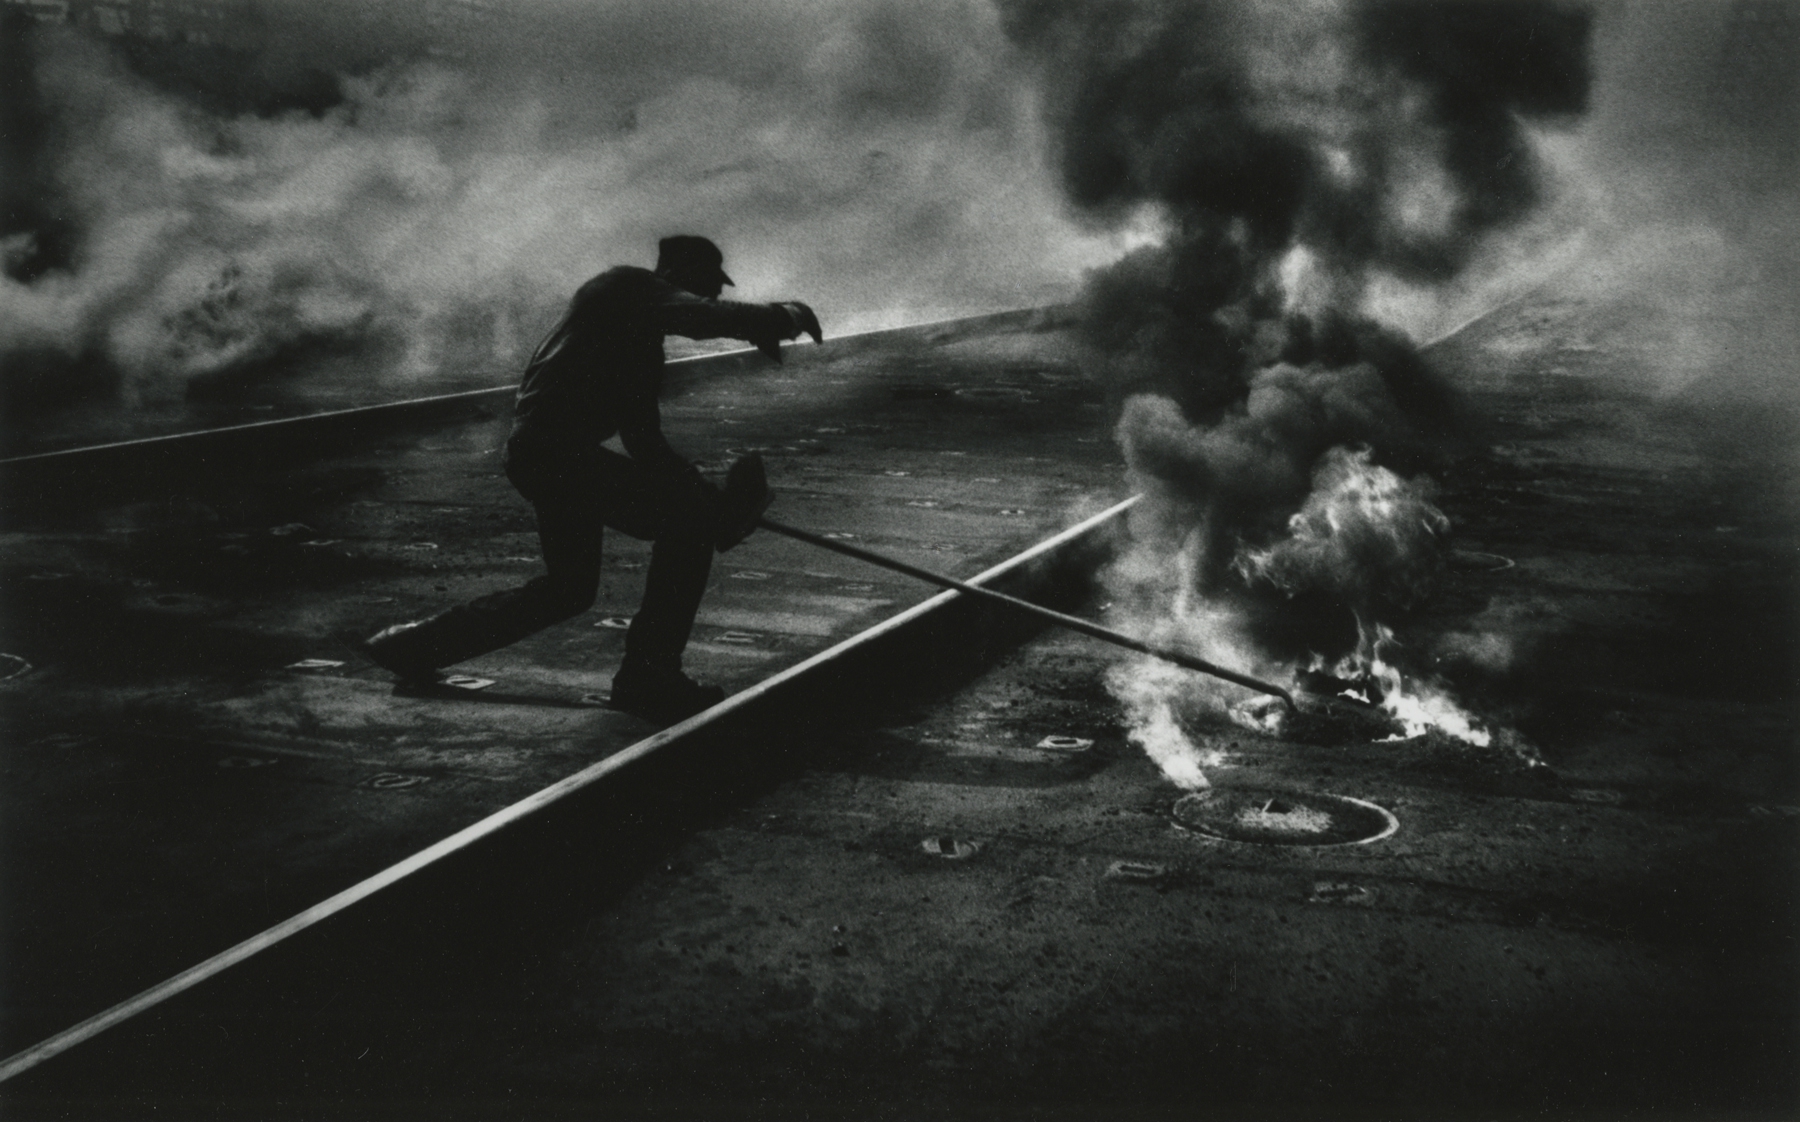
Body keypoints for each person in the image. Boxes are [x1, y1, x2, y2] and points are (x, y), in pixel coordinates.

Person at [358, 235, 821, 723]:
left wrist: (693, 484)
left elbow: (644, 442)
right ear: (678, 275)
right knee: (686, 527)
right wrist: (780, 318)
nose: (714, 294)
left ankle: (412, 647)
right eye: (708, 284)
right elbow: (702, 317)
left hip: (552, 458)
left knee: (570, 589)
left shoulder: (642, 347)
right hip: (555, 455)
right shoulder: (622, 286)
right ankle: (649, 675)